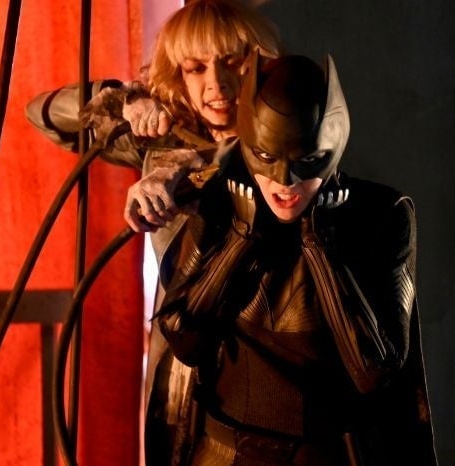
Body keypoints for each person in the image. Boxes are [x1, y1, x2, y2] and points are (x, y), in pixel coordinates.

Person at [148, 51, 438, 466]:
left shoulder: (380, 216)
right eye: (267, 157)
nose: (285, 182)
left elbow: (373, 370)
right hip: (223, 454)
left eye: (306, 161)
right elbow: (183, 339)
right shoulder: (220, 203)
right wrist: (239, 238)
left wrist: (321, 246)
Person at [24, 0, 281, 463]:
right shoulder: (165, 140)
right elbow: (41, 113)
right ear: (178, 75)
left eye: (231, 63)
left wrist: (181, 168)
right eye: (195, 68)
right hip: (180, 368)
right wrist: (124, 99)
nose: (216, 84)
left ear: (258, 63)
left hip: (264, 366)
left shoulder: (285, 135)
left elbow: (244, 162)